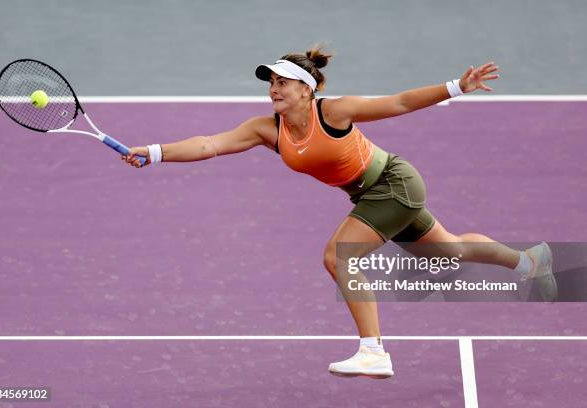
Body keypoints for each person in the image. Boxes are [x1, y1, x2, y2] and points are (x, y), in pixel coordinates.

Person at [122, 45, 557, 379]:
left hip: (394, 184)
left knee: (339, 256)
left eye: (282, 82)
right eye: (270, 82)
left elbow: (400, 103)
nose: (273, 88)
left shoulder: (334, 111)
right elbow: (209, 144)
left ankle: (373, 351)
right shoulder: (265, 129)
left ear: (306, 89)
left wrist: (457, 87)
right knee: (448, 251)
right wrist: (156, 152)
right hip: (370, 196)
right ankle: (529, 261)